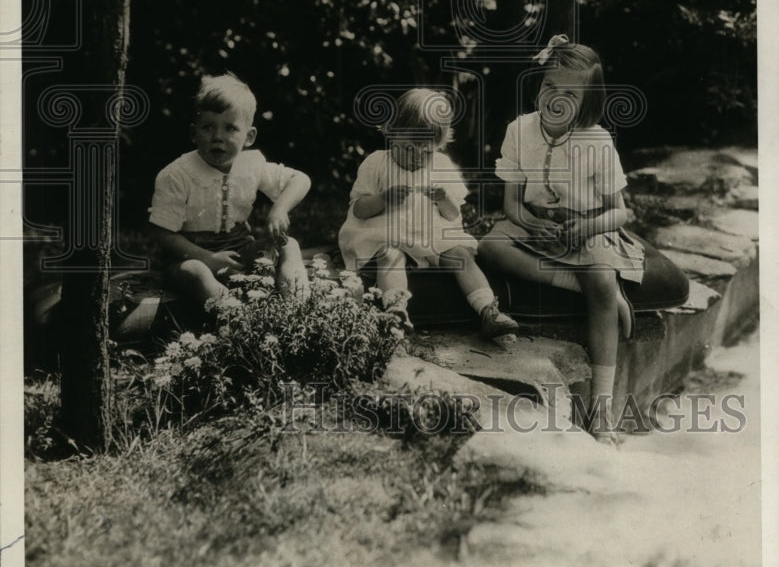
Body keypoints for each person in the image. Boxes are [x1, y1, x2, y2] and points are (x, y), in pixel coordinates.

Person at [477, 35, 644, 442]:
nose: (556, 98)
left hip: (587, 224)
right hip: (536, 224)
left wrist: (587, 228)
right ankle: (578, 283)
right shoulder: (520, 130)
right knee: (489, 247)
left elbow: (620, 212)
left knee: (601, 280)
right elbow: (512, 206)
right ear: (539, 84)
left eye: (570, 93)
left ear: (587, 100)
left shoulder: (597, 141)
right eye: (550, 86)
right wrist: (530, 224)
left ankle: (602, 412)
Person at [339, 88, 518, 340]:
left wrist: (444, 198)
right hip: (391, 233)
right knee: (390, 254)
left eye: (426, 151)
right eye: (408, 148)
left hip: (431, 236)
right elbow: (359, 207)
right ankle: (395, 310)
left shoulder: (441, 166)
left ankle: (488, 309)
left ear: (439, 145)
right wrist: (383, 198)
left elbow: (454, 214)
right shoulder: (377, 163)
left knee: (459, 254)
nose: (416, 157)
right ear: (391, 133)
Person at [148, 73, 311, 305]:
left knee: (289, 245)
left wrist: (279, 209)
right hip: (189, 255)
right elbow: (162, 233)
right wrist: (209, 258)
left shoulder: (252, 164)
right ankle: (236, 318)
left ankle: (296, 305)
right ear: (194, 133)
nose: (218, 137)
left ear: (249, 136)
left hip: (239, 249)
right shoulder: (177, 174)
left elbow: (301, 179)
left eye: (230, 128)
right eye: (208, 127)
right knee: (196, 273)